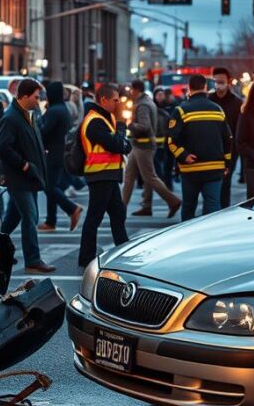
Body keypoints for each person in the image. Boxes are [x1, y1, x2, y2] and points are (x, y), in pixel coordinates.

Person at [0, 79, 55, 274]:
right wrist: (23, 165)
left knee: (12, 218)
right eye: (36, 97)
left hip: (30, 177)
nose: (38, 101)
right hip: (20, 178)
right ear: (24, 96)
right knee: (30, 216)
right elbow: (3, 147)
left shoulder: (27, 115)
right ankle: (33, 259)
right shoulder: (11, 117)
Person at [77, 84, 132, 269]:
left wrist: (122, 140)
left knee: (117, 213)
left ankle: (123, 249)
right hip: (100, 174)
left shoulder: (103, 118)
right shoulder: (95, 121)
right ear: (104, 100)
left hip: (107, 174)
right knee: (95, 217)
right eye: (115, 100)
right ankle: (86, 258)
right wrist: (122, 131)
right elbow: (116, 144)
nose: (118, 104)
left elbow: (121, 144)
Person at [167, 74, 233, 221]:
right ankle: (210, 240)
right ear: (205, 88)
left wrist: (184, 156)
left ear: (189, 89)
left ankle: (188, 241)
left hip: (191, 169)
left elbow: (171, 141)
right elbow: (228, 140)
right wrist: (227, 163)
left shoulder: (181, 111)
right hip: (215, 168)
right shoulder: (218, 110)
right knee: (213, 209)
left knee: (189, 208)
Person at [122, 79, 181, 217]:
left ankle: (173, 201)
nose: (130, 92)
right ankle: (131, 207)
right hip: (140, 145)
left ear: (136, 90)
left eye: (131, 89)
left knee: (150, 177)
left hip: (143, 145)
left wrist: (129, 124)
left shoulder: (143, 105)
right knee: (131, 176)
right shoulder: (146, 102)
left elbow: (145, 126)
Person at [38, 80, 83, 232]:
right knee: (52, 186)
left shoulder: (54, 111)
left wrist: (37, 122)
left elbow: (44, 131)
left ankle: (72, 209)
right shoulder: (62, 108)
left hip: (53, 153)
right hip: (60, 152)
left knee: (49, 187)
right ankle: (51, 221)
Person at [209, 67, 243, 208]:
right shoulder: (208, 101)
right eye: (216, 82)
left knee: (225, 183)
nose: (218, 85)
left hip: (229, 151)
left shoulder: (237, 103)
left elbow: (239, 129)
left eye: (221, 82)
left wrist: (236, 150)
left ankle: (223, 211)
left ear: (228, 82)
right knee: (210, 186)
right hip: (210, 149)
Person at [152, 88, 175, 191]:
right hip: (156, 142)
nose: (160, 97)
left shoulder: (171, 107)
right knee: (157, 166)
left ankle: (168, 185)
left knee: (168, 165)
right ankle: (162, 186)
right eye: (158, 94)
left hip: (168, 141)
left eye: (162, 94)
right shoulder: (152, 108)